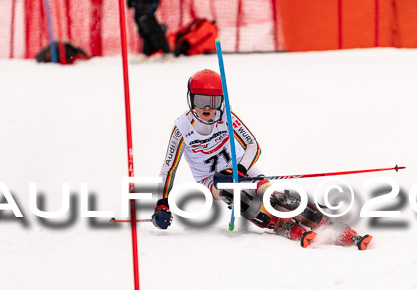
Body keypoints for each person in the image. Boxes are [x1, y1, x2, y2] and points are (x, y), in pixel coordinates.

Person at [150, 69, 373, 250]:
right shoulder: (182, 129)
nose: (207, 108)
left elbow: (253, 146)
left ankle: (330, 224)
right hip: (211, 181)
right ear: (191, 99)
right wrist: (162, 204)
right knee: (236, 196)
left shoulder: (227, 117)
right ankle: (282, 225)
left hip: (241, 170)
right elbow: (168, 169)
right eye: (200, 101)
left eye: (214, 101)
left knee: (275, 198)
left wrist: (238, 169)